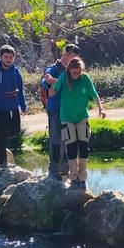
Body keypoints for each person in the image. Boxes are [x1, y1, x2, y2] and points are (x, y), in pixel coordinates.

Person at [45, 57, 106, 189]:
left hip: (82, 116)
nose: (77, 75)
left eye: (79, 72)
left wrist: (101, 109)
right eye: (74, 72)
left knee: (83, 147)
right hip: (66, 117)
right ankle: (73, 178)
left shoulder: (85, 79)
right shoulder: (63, 77)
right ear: (69, 70)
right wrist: (50, 83)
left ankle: (82, 178)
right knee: (71, 147)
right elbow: (51, 94)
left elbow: (94, 94)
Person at [40, 43, 81, 180]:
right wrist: (49, 82)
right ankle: (53, 169)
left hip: (69, 110)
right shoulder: (52, 68)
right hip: (55, 109)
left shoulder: (72, 70)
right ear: (66, 55)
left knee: (68, 139)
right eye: (73, 57)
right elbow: (44, 82)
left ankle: (65, 169)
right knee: (56, 138)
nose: (75, 61)